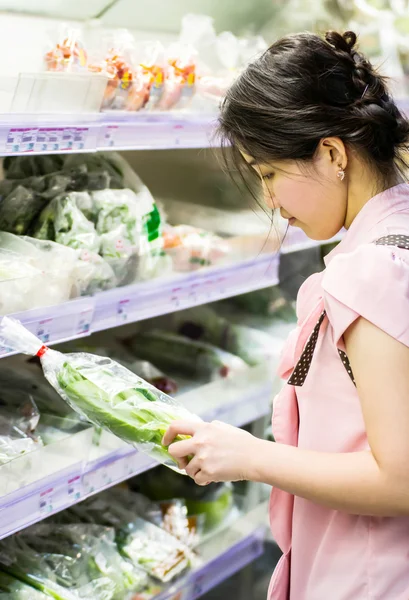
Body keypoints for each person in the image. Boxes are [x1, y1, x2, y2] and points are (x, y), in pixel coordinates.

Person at [163, 30, 409, 600]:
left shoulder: (370, 273)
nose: (270, 200)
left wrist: (251, 456)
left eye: (269, 174)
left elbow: (399, 478)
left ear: (331, 153)